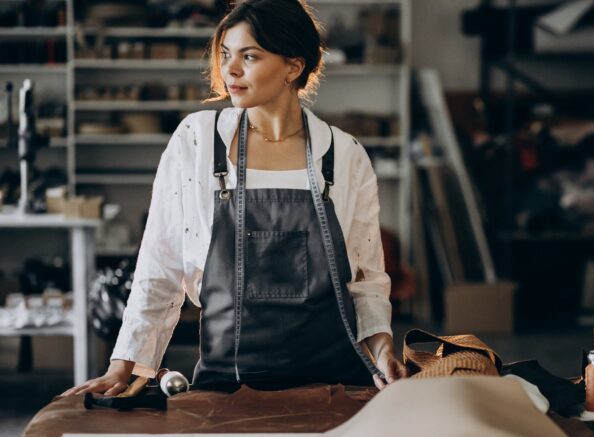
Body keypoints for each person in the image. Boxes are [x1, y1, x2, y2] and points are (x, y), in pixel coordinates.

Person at [63, 0, 407, 396]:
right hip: (228, 386)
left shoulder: (344, 155)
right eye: (226, 55)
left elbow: (366, 283)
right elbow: (160, 267)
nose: (230, 69)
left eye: (250, 56)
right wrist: (121, 366)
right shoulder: (197, 141)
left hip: (334, 385)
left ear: (293, 67)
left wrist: (384, 354)